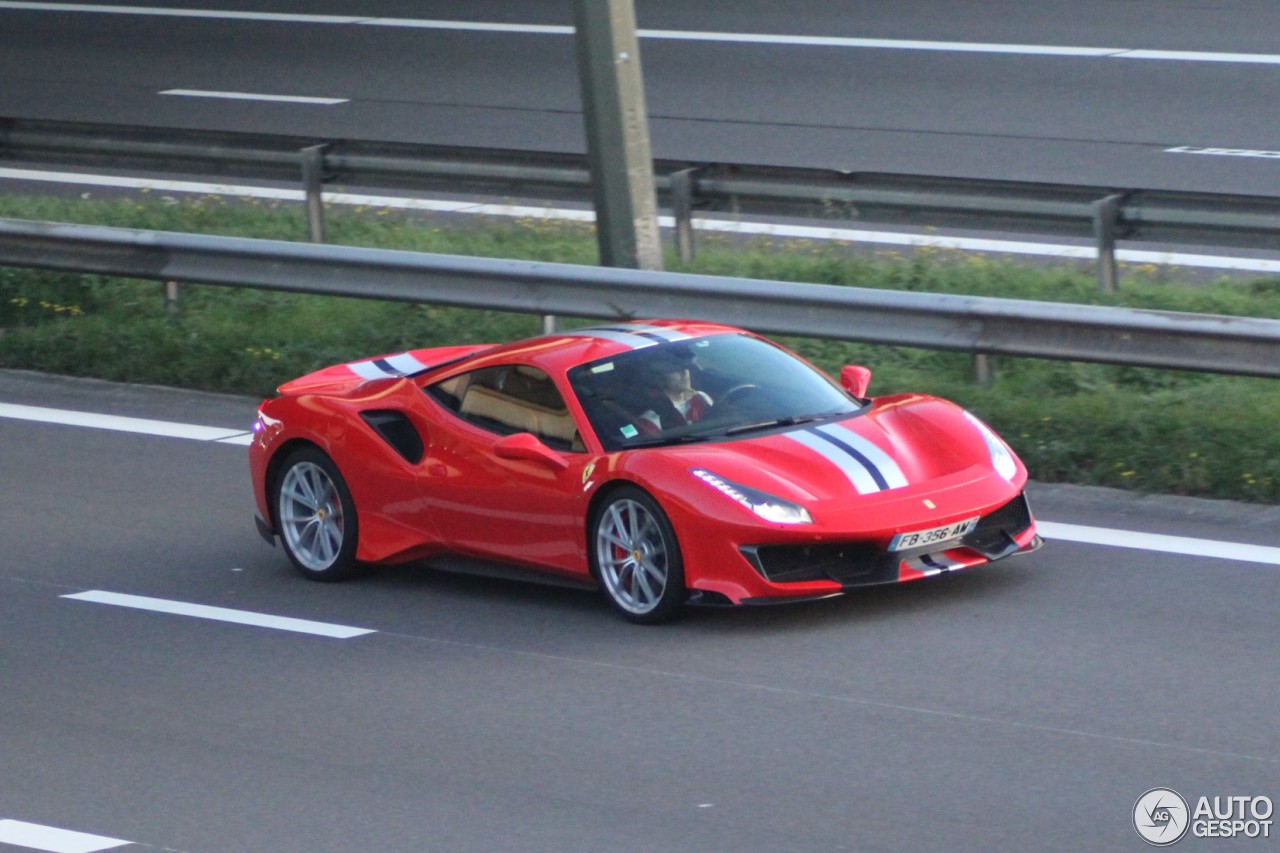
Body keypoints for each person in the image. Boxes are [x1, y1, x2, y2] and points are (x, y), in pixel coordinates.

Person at [634, 347, 713, 434]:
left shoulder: (702, 398)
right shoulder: (652, 420)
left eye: (686, 367)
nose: (685, 373)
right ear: (659, 378)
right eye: (676, 370)